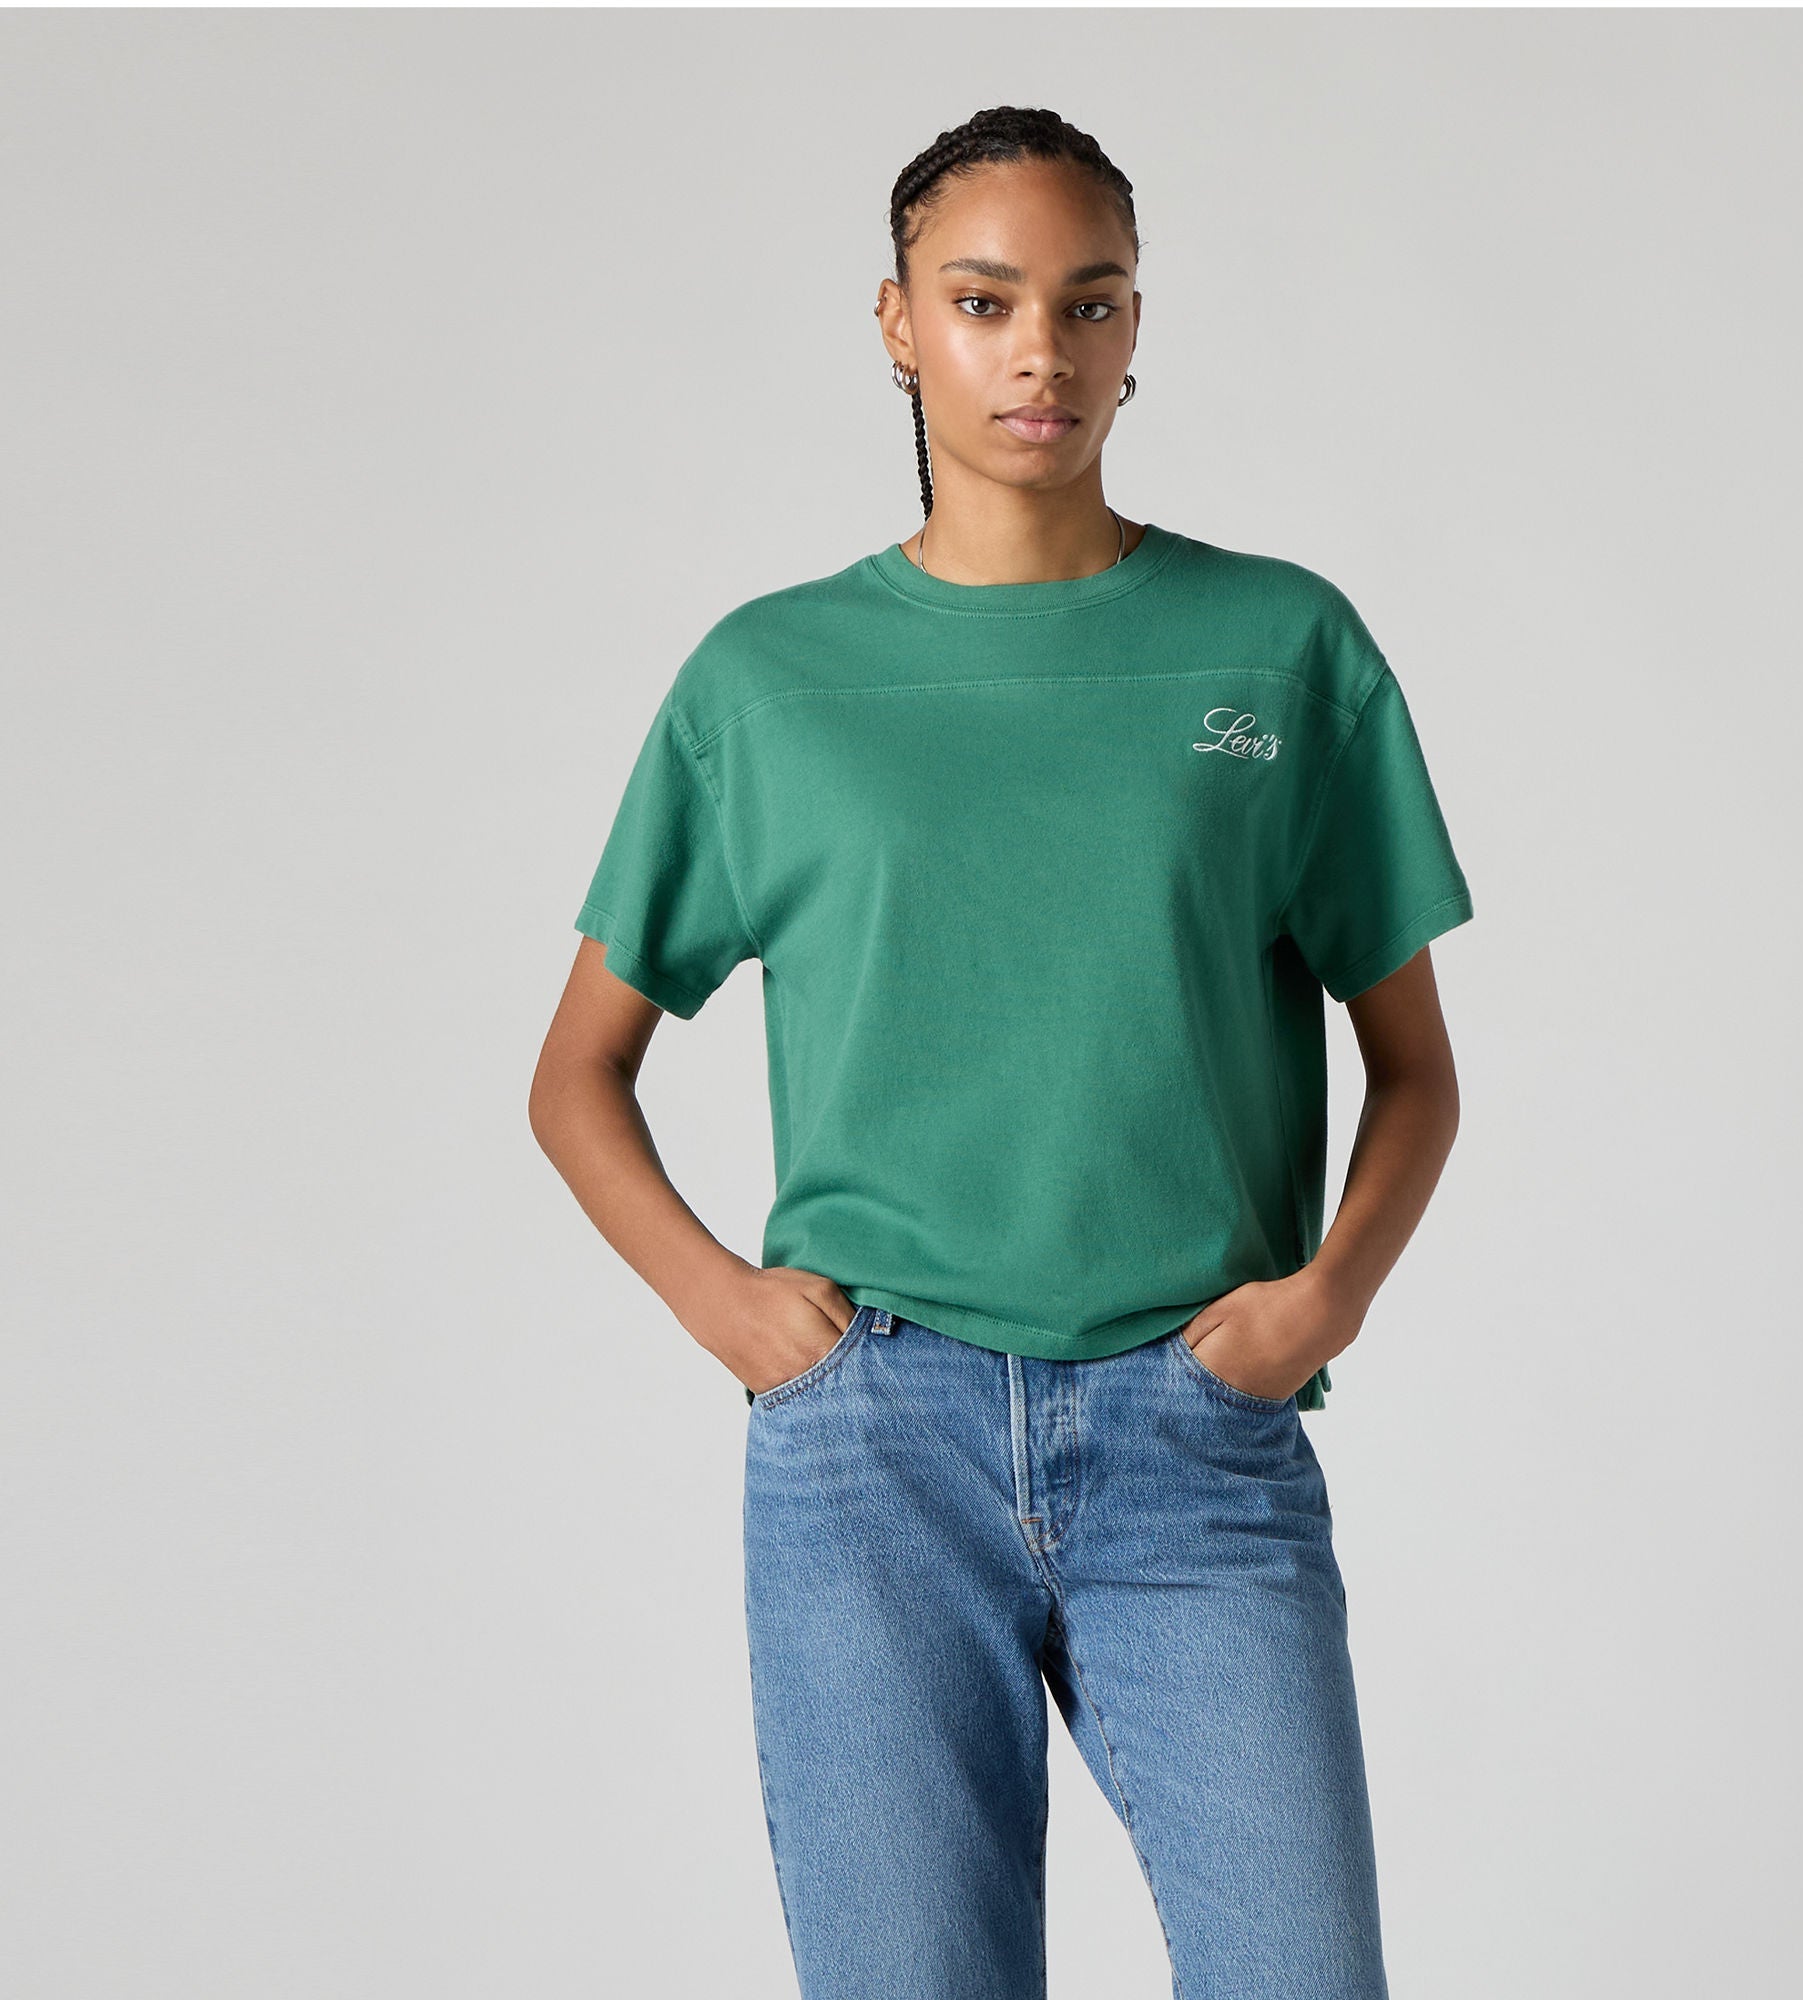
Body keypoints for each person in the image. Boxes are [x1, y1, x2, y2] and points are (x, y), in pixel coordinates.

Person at [530, 105, 1473, 2000]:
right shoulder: (769, 683)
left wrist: (1321, 1305)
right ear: (899, 324)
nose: (1040, 349)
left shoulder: (1278, 650)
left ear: (1136, 330)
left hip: (1196, 1434)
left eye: (1087, 302)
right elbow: (575, 1077)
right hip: (874, 1446)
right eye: (983, 302)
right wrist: (737, 1316)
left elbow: (1415, 1068)